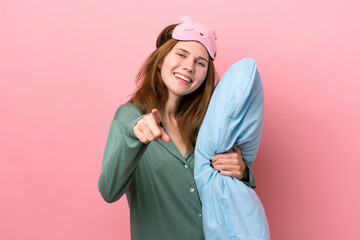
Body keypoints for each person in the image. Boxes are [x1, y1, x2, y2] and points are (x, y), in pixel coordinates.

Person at [98, 16, 254, 240]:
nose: (189, 66)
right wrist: (134, 137)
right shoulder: (129, 116)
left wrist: (243, 171)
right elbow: (109, 191)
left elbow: (223, 189)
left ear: (205, 76)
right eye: (181, 54)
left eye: (200, 63)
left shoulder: (208, 123)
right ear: (161, 60)